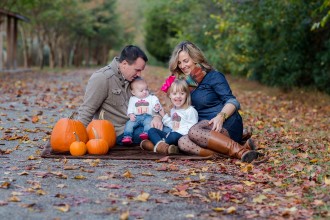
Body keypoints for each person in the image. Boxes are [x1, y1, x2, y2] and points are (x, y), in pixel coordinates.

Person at [164, 41, 260, 162]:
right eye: (179, 63)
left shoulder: (214, 76)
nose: (182, 66)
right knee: (183, 141)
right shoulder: (186, 84)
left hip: (225, 124)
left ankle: (242, 152)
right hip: (203, 131)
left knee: (193, 131)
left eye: (185, 61)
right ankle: (226, 154)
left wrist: (221, 116)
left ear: (195, 58)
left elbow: (232, 101)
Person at [78, 45, 164, 145]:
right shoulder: (102, 78)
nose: (139, 74)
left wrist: (157, 117)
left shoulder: (133, 77)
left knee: (168, 129)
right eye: (137, 70)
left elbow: (150, 99)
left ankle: (171, 144)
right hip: (120, 132)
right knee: (158, 133)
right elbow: (87, 109)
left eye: (141, 70)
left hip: (141, 122)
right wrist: (77, 138)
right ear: (124, 64)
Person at [140, 79, 198, 154]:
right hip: (171, 135)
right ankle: (166, 147)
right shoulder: (173, 110)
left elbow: (193, 129)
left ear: (186, 95)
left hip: (182, 138)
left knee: (173, 136)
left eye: (182, 93)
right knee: (152, 130)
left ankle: (156, 146)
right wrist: (164, 115)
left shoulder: (190, 111)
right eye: (174, 93)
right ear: (170, 95)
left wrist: (176, 134)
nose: (178, 96)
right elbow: (173, 125)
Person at [122, 77, 162, 144]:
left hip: (148, 116)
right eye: (141, 90)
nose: (145, 92)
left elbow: (156, 105)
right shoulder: (132, 99)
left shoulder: (151, 97)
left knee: (149, 124)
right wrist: (131, 114)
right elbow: (130, 108)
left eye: (146, 89)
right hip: (136, 117)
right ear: (133, 92)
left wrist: (157, 107)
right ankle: (127, 136)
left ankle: (146, 134)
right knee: (129, 124)